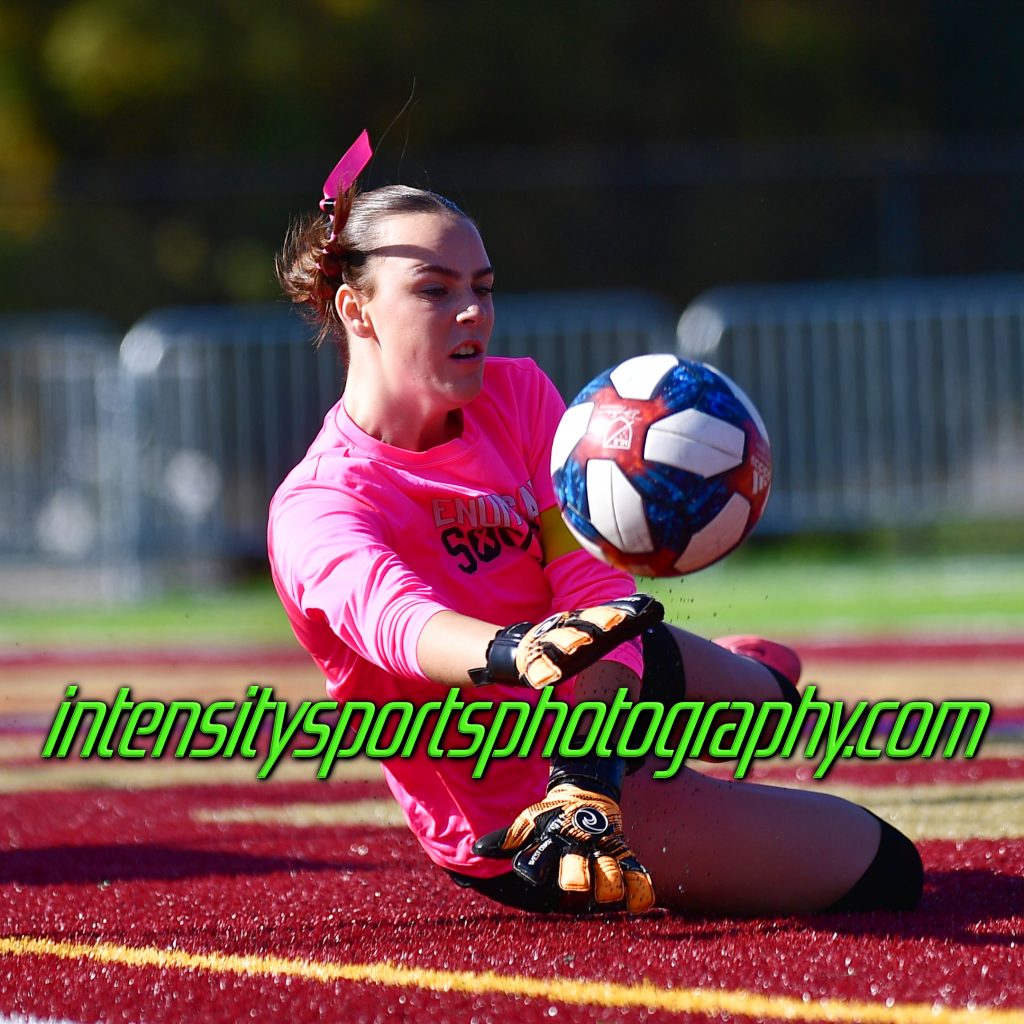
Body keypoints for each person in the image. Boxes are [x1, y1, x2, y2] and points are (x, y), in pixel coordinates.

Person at [268, 135, 923, 916]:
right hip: (519, 824)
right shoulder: (318, 502)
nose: (473, 308)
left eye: (483, 285)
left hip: (594, 705)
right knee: (889, 870)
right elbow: (398, 621)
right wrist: (511, 654)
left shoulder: (515, 397)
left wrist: (587, 768)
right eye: (435, 290)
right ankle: (702, 700)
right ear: (356, 308)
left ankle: (750, 682)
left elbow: (591, 585)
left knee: (762, 700)